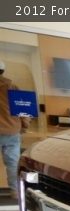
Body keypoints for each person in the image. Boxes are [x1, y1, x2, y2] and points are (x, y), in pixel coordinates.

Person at [0, 59, 28, 201]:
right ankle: (15, 193)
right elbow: (23, 109)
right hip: (12, 130)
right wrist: (24, 126)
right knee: (12, 163)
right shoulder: (13, 87)